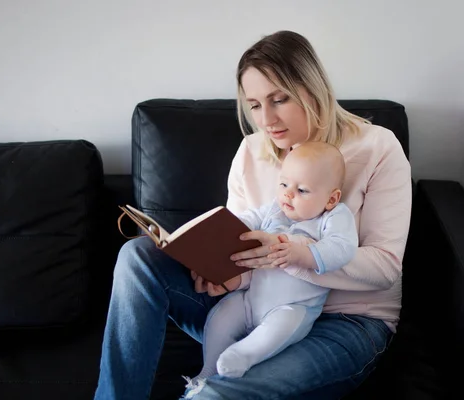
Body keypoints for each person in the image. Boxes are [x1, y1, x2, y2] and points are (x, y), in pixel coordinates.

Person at [94, 30, 412, 400]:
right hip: (252, 305)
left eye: (279, 100)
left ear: (313, 88)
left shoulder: (377, 147)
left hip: (346, 322)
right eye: (256, 105)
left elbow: (385, 269)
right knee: (136, 256)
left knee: (215, 394)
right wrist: (222, 274)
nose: (267, 120)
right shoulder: (252, 151)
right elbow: (240, 243)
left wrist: (288, 253)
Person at [184, 141, 358, 398]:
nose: (288, 194)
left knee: (278, 329)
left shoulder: (333, 217)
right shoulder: (276, 208)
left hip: (293, 307)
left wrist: (300, 253)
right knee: (221, 315)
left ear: (331, 198)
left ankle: (242, 356)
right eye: (284, 184)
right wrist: (219, 230)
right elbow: (246, 221)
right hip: (249, 301)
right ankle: (208, 369)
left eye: (302, 190)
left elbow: (343, 249)